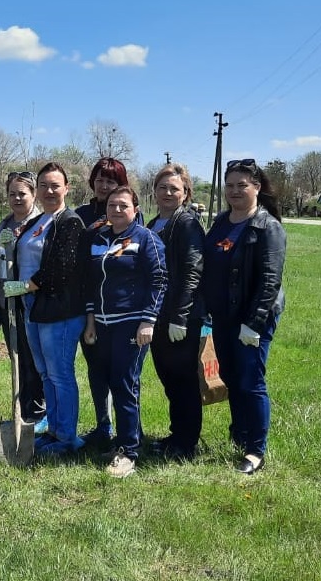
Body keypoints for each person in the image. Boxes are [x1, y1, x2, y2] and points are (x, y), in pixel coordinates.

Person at [201, 159, 285, 474]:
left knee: (251, 381)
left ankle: (255, 450)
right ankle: (240, 434)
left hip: (253, 317)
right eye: (230, 185)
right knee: (232, 378)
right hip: (223, 315)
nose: (235, 191)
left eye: (242, 185)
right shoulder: (223, 221)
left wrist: (255, 323)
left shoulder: (268, 227)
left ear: (257, 187)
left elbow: (270, 281)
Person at [82, 186, 167, 477]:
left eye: (123, 205)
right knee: (105, 379)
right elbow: (92, 283)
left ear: (135, 208)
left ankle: (128, 451)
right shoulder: (99, 239)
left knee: (124, 383)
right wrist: (91, 322)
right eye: (111, 205)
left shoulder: (146, 238)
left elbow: (159, 280)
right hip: (102, 325)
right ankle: (128, 438)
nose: (116, 210)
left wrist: (148, 321)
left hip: (131, 324)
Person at [4, 162, 87, 457]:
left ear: (67, 188)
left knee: (60, 374)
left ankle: (67, 437)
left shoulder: (69, 222)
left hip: (60, 311)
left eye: (55, 185)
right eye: (44, 186)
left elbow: (62, 267)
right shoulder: (37, 221)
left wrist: (27, 286)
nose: (49, 191)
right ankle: (53, 430)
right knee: (45, 374)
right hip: (35, 308)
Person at [75, 157, 139, 450]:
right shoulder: (81, 215)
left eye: (111, 181)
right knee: (96, 370)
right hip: (87, 304)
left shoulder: (126, 218)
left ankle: (129, 435)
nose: (104, 185)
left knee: (122, 375)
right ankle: (103, 424)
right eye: (100, 179)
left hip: (121, 311)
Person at [147, 164, 206, 461]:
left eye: (175, 189)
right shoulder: (153, 223)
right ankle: (176, 434)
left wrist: (180, 317)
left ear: (185, 193)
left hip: (179, 317)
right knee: (168, 377)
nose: (168, 193)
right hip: (157, 315)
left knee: (183, 379)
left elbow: (192, 272)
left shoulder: (187, 224)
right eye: (163, 188)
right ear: (155, 191)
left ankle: (187, 443)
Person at [0, 171, 45, 430]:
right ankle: (22, 409)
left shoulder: (41, 223)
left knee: (35, 361)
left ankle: (39, 412)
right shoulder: (4, 225)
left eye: (22, 193)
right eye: (12, 193)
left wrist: (21, 288)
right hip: (8, 304)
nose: (17, 198)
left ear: (34, 195)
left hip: (33, 303)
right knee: (18, 359)